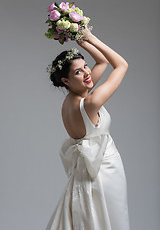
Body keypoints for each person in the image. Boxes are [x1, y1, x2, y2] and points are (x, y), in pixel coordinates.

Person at [45, 27, 130, 230]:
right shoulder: (91, 102)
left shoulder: (70, 100)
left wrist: (81, 42)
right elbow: (121, 65)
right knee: (110, 221)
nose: (87, 73)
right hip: (105, 172)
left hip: (85, 173)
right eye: (78, 71)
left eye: (85, 67)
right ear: (65, 80)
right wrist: (91, 37)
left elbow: (102, 62)